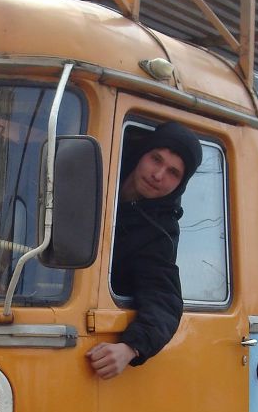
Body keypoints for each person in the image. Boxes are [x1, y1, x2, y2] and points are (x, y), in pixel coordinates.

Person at [87, 121, 203, 380]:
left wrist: (130, 348)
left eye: (173, 172)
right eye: (156, 159)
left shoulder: (160, 232)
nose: (158, 175)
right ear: (143, 154)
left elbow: (165, 300)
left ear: (181, 184)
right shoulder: (97, 170)